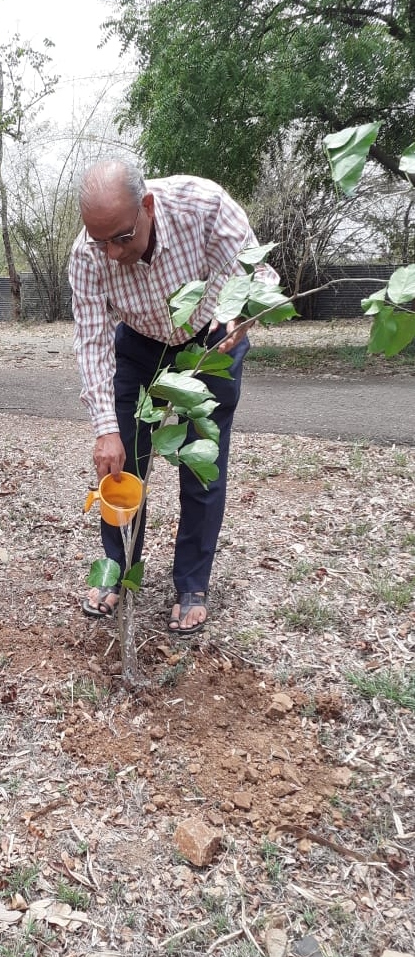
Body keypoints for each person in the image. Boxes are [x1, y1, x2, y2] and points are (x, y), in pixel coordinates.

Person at [69, 161, 276, 634]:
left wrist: (243, 311)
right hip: (139, 346)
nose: (112, 253)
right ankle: (117, 568)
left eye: (121, 238)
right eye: (100, 241)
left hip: (210, 338)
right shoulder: (87, 256)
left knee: (201, 460)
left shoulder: (201, 205)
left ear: (147, 207)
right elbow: (93, 342)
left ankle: (191, 583)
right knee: (121, 464)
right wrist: (105, 429)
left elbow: (256, 273)